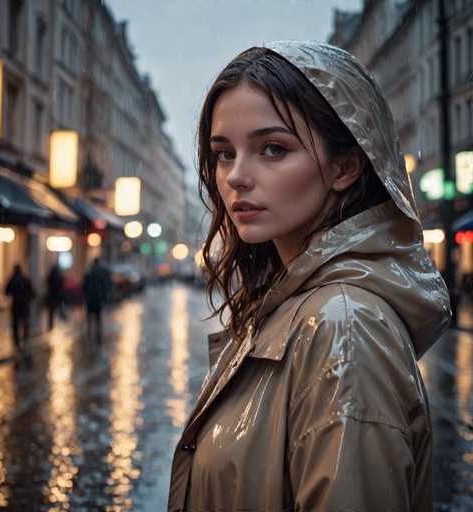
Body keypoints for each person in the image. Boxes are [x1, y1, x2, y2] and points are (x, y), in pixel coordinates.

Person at [167, 42, 451, 512]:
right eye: (223, 154)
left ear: (345, 165)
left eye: (272, 149)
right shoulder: (288, 304)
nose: (236, 176)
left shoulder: (344, 324)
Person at [5, 264, 35, 351]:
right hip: (24, 304)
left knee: (16, 323)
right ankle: (25, 339)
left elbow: (6, 292)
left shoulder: (12, 280)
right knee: (25, 322)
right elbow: (32, 292)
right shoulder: (26, 279)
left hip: (16, 304)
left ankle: (17, 342)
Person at [83, 258, 112, 342]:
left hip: (90, 297)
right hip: (98, 298)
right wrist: (105, 297)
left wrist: (86, 295)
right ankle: (98, 332)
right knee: (98, 316)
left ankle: (89, 331)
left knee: (89, 316)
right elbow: (106, 285)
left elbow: (84, 285)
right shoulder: (101, 272)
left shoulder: (89, 272)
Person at [46, 263, 64, 330]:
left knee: (51, 312)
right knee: (58, 309)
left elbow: (47, 284)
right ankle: (57, 323)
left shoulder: (50, 276)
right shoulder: (59, 277)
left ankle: (51, 324)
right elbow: (61, 286)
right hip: (57, 296)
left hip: (51, 296)